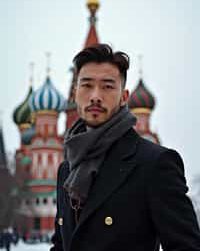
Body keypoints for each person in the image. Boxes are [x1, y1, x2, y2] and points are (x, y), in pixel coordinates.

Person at [50, 44, 200, 251]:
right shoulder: (66, 169)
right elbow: (61, 244)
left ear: (124, 97)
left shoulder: (154, 163)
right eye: (86, 85)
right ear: (75, 94)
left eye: (107, 86)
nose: (95, 95)